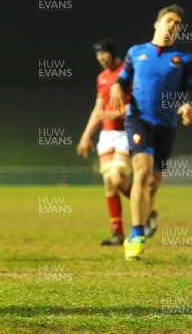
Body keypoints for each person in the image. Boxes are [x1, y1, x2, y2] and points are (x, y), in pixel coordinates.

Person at [110, 4, 192, 261]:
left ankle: (146, 218)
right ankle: (135, 235)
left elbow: (190, 89)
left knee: (154, 181)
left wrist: (187, 105)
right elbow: (123, 79)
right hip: (138, 120)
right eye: (169, 20)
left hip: (166, 126)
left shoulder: (184, 57)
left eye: (177, 24)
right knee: (143, 172)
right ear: (157, 24)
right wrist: (116, 87)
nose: (173, 26)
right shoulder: (136, 52)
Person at [76, 39, 132, 246]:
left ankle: (147, 210)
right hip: (107, 135)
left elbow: (140, 104)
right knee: (109, 183)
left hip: (126, 132)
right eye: (98, 57)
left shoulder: (127, 73)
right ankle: (117, 234)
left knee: (117, 178)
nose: (101, 59)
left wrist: (117, 112)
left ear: (113, 53)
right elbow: (98, 110)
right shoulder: (102, 78)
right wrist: (86, 135)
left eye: (104, 55)